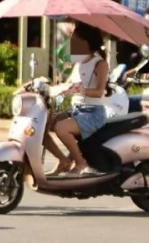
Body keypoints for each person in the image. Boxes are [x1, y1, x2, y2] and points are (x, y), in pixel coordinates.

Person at [44, 22, 110, 176]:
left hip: (93, 114)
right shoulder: (79, 63)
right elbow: (68, 85)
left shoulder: (100, 64)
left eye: (74, 41)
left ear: (86, 43)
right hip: (77, 111)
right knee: (43, 124)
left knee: (61, 128)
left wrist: (79, 90)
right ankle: (63, 161)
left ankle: (80, 162)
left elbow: (99, 92)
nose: (70, 44)